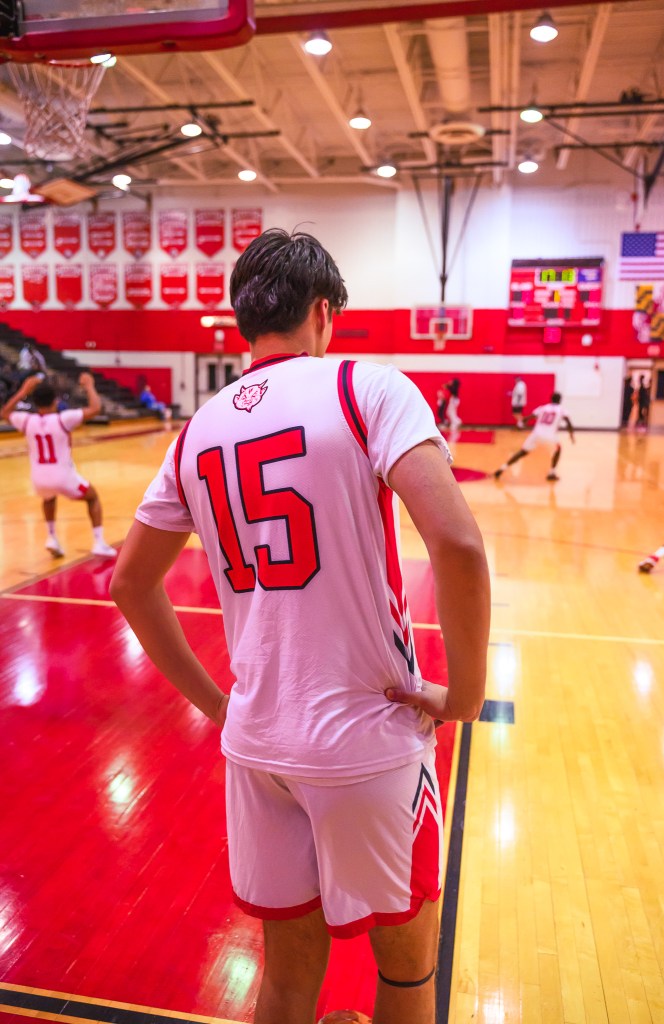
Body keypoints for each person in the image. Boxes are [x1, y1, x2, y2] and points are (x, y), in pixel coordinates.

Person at [110, 228, 490, 1024]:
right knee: (407, 975)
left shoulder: (197, 429)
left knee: (284, 982)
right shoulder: (367, 387)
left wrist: (218, 705)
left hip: (257, 747)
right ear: (324, 311)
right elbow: (457, 544)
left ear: (245, 319)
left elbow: (130, 584)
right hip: (365, 740)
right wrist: (463, 698)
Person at [1, 372, 117, 559]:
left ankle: (52, 537)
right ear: (55, 401)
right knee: (92, 497)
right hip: (63, 477)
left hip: (39, 479)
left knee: (48, 498)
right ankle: (99, 542)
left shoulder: (27, 420)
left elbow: (5, 413)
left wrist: (23, 390)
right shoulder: (63, 419)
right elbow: (95, 408)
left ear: (35, 402)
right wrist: (89, 386)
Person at [492, 391, 575, 482]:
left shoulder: (543, 408)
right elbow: (568, 422)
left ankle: (502, 469)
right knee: (558, 450)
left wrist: (521, 424)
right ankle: (552, 473)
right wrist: (571, 435)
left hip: (536, 434)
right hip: (550, 436)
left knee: (522, 452)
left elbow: (528, 417)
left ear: (551, 399)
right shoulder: (562, 410)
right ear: (560, 400)